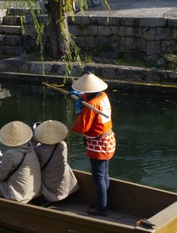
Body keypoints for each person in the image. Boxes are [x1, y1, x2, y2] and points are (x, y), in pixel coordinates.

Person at [70, 73, 116, 217]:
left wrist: (79, 111)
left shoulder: (91, 106)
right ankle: (103, 202)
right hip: (108, 138)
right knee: (104, 174)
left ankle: (102, 208)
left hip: (99, 143)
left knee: (98, 177)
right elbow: (87, 98)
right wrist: (79, 97)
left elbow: (82, 127)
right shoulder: (102, 96)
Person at [0, 121, 41, 203]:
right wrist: (2, 158)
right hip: (34, 190)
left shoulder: (10, 153)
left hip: (19, 194)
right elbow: (19, 159)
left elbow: (0, 176)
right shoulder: (29, 147)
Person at [33, 120, 79, 202]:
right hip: (64, 185)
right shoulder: (63, 145)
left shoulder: (39, 150)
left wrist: (37, 142)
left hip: (49, 187)